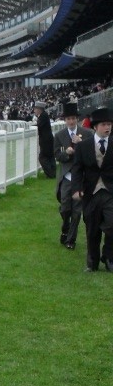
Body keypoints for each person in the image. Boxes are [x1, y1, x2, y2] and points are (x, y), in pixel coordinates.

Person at [70, 106, 113, 272]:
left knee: (111, 224)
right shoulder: (83, 146)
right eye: (103, 124)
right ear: (95, 127)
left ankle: (108, 256)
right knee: (92, 229)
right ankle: (92, 262)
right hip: (90, 192)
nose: (107, 127)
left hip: (110, 191)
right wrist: (76, 189)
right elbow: (77, 169)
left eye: (109, 124)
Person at [53, 101, 92, 249]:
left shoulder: (88, 134)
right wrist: (67, 153)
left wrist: (81, 144)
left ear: (77, 119)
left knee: (77, 211)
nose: (71, 121)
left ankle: (71, 240)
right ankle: (65, 228)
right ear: (65, 120)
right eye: (68, 119)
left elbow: (92, 154)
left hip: (80, 178)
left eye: (73, 118)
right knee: (65, 209)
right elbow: (57, 155)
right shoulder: (59, 135)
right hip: (67, 177)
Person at [34, 101, 56, 178]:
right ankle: (52, 173)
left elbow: (39, 126)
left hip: (45, 140)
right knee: (50, 157)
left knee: (42, 157)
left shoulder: (43, 116)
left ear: (39, 109)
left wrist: (32, 126)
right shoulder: (44, 115)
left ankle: (50, 174)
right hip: (48, 139)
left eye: (35, 109)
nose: (34, 111)